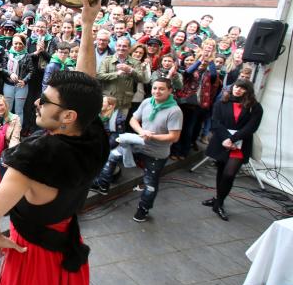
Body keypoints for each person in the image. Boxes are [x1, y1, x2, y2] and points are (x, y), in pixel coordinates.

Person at [0, 0, 110, 285]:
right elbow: (87, 86)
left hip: (32, 256)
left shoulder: (33, 160)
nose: (37, 103)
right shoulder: (92, 134)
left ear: (66, 116)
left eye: (45, 102)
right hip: (66, 245)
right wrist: (86, 27)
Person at [94, 77, 183, 219]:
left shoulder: (175, 111)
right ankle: (103, 185)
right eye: (154, 88)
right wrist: (142, 132)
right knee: (113, 156)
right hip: (138, 143)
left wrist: (151, 137)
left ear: (170, 90)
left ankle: (143, 210)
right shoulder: (147, 102)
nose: (157, 91)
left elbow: (174, 137)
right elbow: (133, 120)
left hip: (156, 153)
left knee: (150, 183)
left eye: (161, 89)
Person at [202, 79, 263, 221]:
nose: (237, 90)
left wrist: (233, 139)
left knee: (229, 174)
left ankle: (220, 203)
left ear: (248, 91)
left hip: (240, 143)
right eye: (236, 86)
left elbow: (251, 127)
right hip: (222, 142)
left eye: (242, 88)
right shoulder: (221, 102)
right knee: (221, 171)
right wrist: (226, 139)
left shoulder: (255, 107)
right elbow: (216, 122)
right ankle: (218, 199)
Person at [97, 37, 150, 115]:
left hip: (125, 100)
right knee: (105, 124)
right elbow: (99, 76)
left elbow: (141, 78)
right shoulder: (107, 60)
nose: (121, 48)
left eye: (124, 46)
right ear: (115, 47)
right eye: (119, 45)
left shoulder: (135, 62)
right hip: (108, 99)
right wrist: (116, 74)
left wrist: (130, 70)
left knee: (120, 124)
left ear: (129, 48)